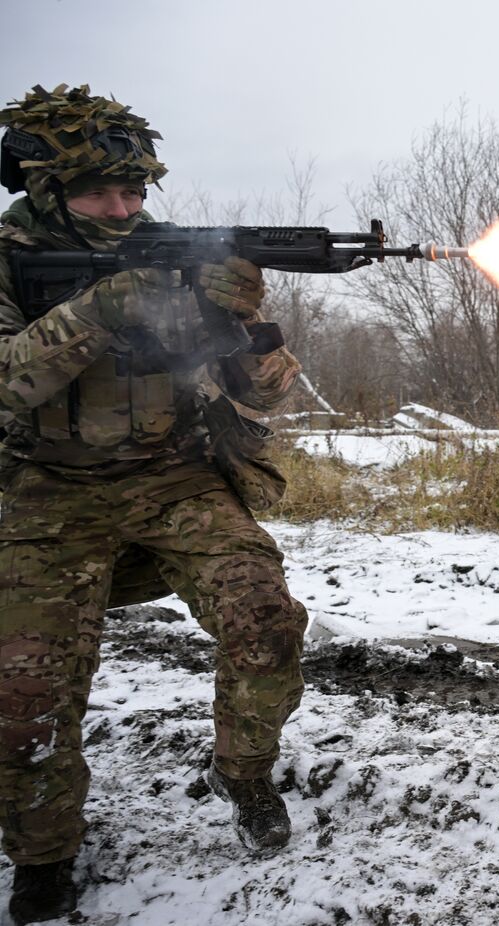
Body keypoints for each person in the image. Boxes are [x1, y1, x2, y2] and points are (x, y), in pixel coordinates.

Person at [0, 84, 308, 923]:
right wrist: (100, 308)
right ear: (47, 190)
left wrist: (243, 324)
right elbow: (8, 381)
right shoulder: (10, 258)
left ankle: (241, 774)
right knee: (23, 700)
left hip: (174, 477)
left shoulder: (172, 260)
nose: (123, 208)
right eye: (102, 191)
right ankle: (44, 853)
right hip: (47, 490)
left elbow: (267, 396)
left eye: (136, 192)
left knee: (269, 622)